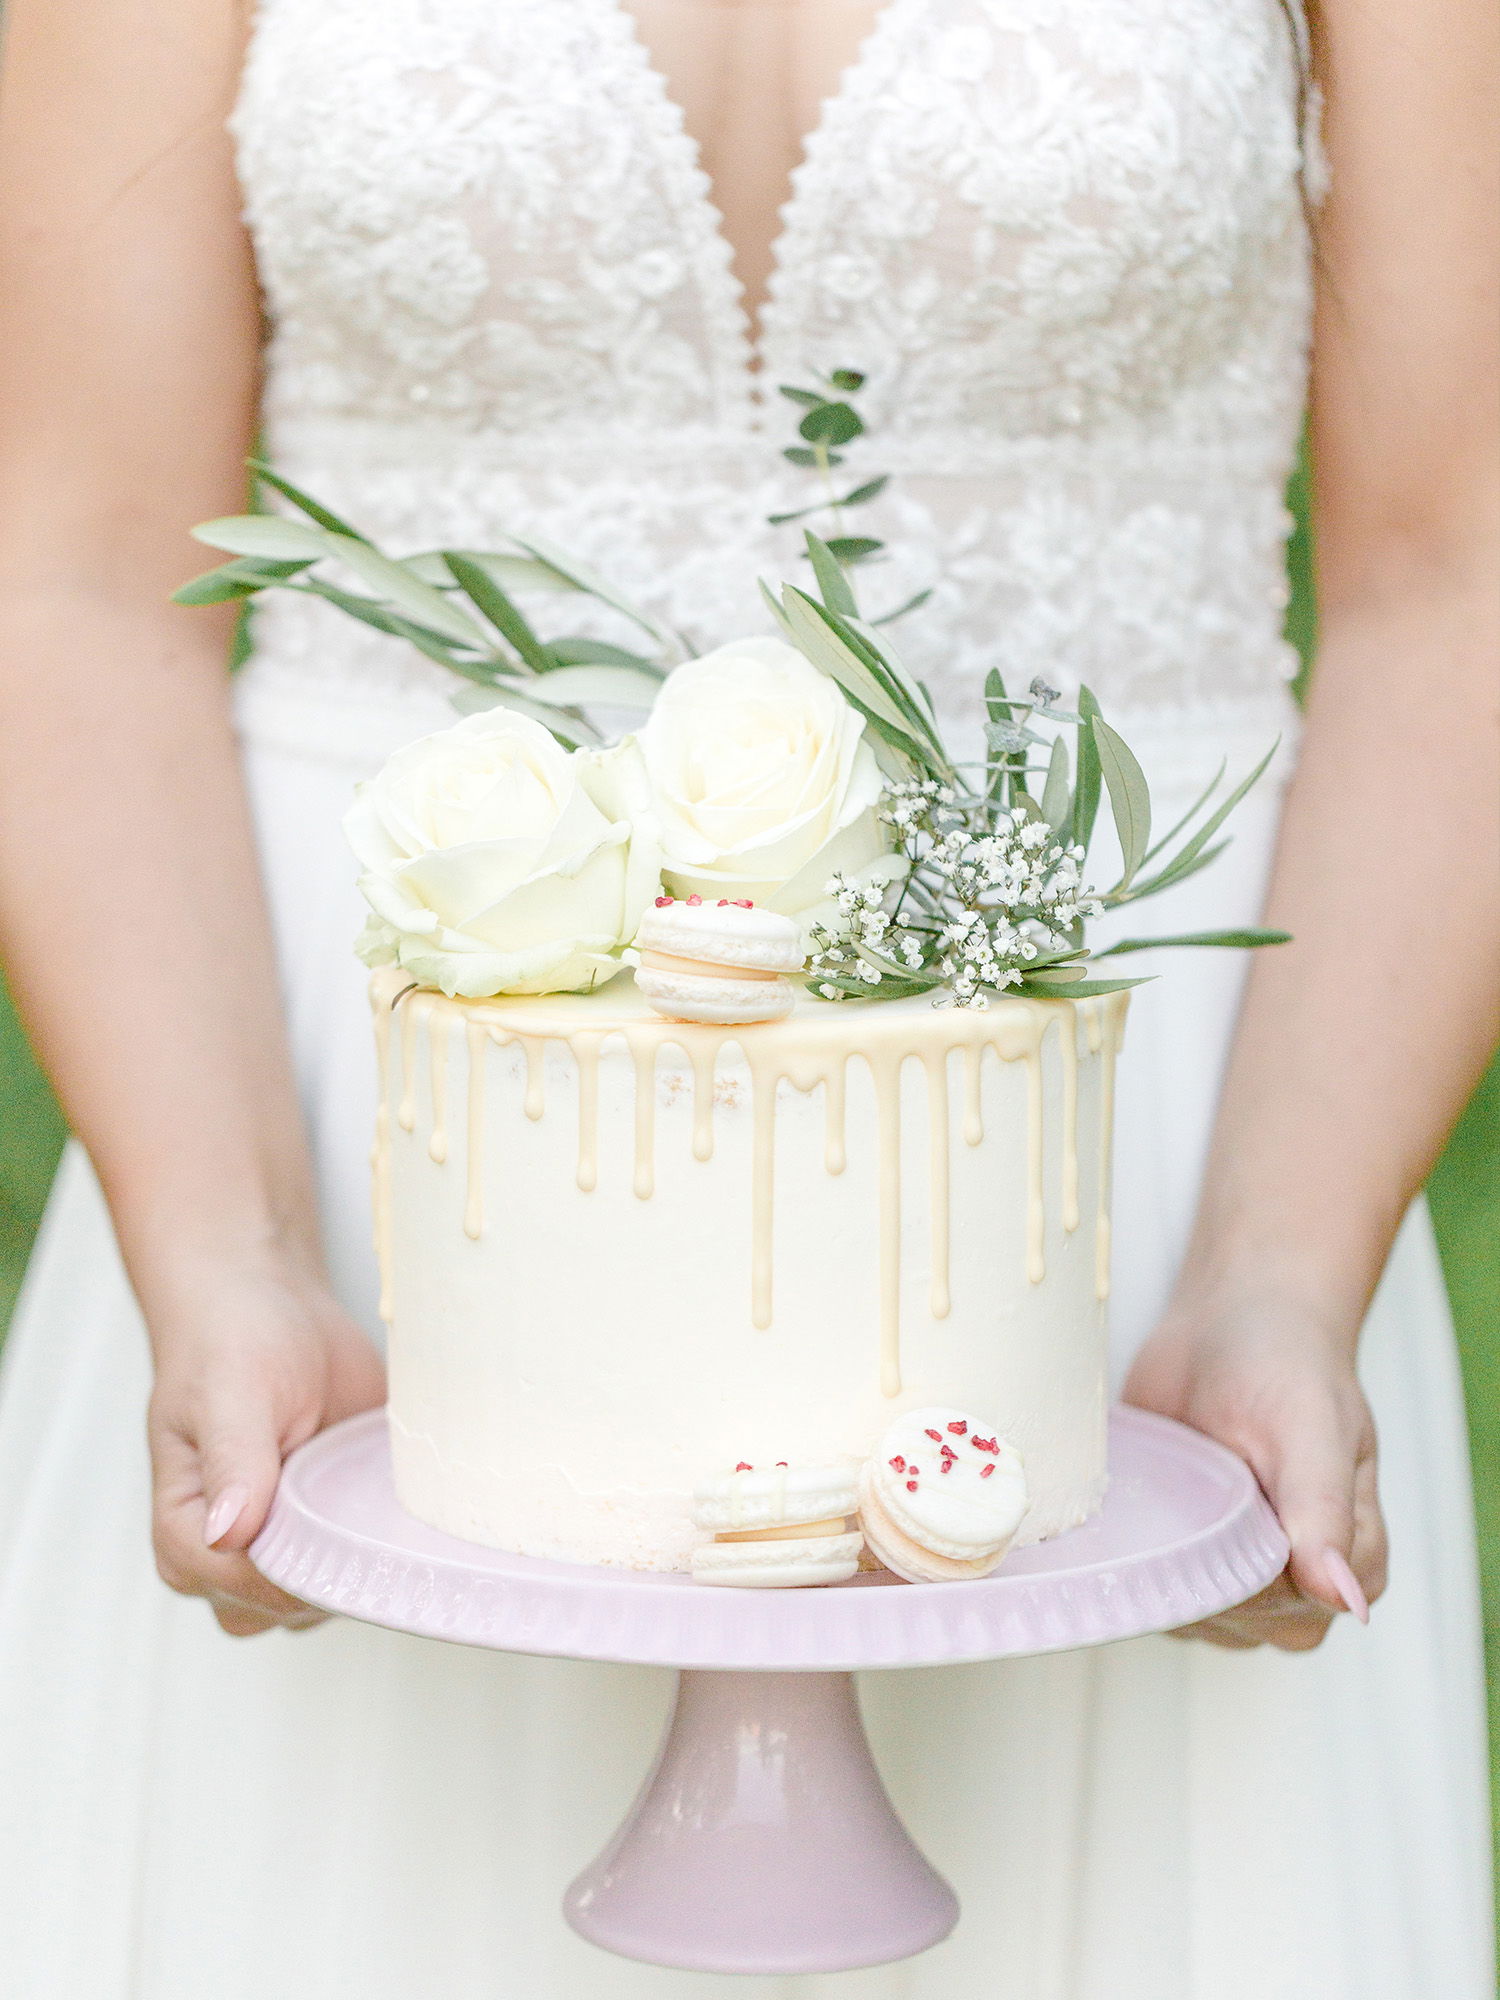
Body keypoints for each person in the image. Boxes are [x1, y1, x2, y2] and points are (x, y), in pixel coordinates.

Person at [0, 1, 1494, 1993]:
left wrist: (1278, 1274)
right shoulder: (254, 1234)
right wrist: (228, 1246)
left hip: (1138, 1175)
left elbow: (1456, 569)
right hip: (341, 1157)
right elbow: (77, 562)